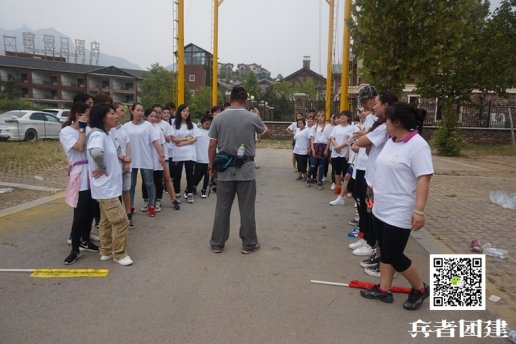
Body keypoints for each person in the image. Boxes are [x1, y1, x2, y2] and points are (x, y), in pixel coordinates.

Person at [360, 102, 433, 310]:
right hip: (381, 206)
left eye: (388, 121)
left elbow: (423, 179)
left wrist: (419, 211)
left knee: (394, 254)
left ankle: (420, 288)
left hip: (400, 210)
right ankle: (384, 289)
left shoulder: (418, 145)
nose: (385, 125)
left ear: (397, 123)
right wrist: (372, 192)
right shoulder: (392, 141)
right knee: (384, 250)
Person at [208, 86, 269, 254]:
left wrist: (211, 166)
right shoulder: (252, 117)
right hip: (246, 170)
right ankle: (249, 243)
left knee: (222, 208)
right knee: (247, 209)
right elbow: (266, 132)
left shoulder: (218, 118)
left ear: (229, 99)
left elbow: (212, 144)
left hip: (224, 170)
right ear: (246, 101)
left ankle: (217, 243)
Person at [354, 91, 398, 277]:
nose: (373, 107)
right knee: (375, 220)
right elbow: (363, 142)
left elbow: (362, 141)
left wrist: (418, 210)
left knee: (381, 226)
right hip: (374, 181)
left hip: (382, 185)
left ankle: (384, 261)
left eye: (377, 103)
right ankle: (380, 257)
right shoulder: (381, 127)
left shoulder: (414, 144)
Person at [87, 103, 133, 266]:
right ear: (102, 117)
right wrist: (102, 167)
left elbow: (117, 149)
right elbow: (96, 152)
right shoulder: (97, 135)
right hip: (105, 188)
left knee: (106, 221)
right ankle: (119, 254)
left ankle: (106, 251)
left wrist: (124, 157)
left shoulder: (108, 134)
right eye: (112, 113)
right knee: (121, 221)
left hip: (111, 186)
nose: (116, 116)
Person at [60, 102, 99, 264]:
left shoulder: (90, 130)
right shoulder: (66, 132)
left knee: (91, 211)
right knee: (80, 214)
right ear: (78, 115)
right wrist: (82, 129)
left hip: (92, 173)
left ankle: (85, 239)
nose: (89, 118)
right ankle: (75, 249)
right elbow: (79, 146)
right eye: (87, 115)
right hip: (79, 175)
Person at [348, 85, 378, 257]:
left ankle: (371, 241)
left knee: (367, 206)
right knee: (359, 202)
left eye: (366, 102)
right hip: (360, 166)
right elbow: (360, 140)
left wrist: (360, 138)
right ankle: (364, 236)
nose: (364, 106)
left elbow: (362, 141)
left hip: (369, 168)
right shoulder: (369, 119)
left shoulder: (378, 120)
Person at [123, 103, 164, 217]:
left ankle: (152, 206)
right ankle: (130, 206)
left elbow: (155, 141)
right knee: (131, 185)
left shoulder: (148, 125)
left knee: (149, 184)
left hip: (145, 158)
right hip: (131, 159)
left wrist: (161, 155)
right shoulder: (126, 126)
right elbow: (123, 143)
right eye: (138, 110)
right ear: (132, 111)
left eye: (142, 110)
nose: (140, 113)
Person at [109, 102, 134, 228]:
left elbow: (128, 145)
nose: (123, 113)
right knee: (116, 192)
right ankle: (118, 218)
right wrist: (124, 160)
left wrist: (128, 160)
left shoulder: (123, 128)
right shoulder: (109, 130)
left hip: (126, 164)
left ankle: (129, 215)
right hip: (116, 166)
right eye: (121, 110)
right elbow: (114, 149)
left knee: (126, 191)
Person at [171, 104, 198, 204]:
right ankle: (177, 194)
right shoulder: (174, 125)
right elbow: (173, 139)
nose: (186, 113)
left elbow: (195, 138)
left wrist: (182, 143)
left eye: (187, 111)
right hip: (178, 154)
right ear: (179, 112)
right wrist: (186, 138)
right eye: (183, 111)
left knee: (190, 174)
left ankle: (190, 193)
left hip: (190, 153)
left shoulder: (193, 125)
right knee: (177, 175)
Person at [329, 111, 354, 195]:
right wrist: (336, 146)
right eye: (341, 116)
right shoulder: (336, 128)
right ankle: (338, 186)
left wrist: (339, 147)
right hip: (335, 152)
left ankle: (346, 188)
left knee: (345, 170)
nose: (342, 117)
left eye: (344, 116)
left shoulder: (351, 128)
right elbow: (332, 138)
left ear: (348, 118)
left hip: (344, 152)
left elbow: (349, 141)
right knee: (337, 170)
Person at [307, 111, 331, 189]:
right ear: (317, 117)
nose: (320, 118)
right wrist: (312, 149)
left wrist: (327, 149)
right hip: (316, 146)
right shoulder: (314, 127)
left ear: (324, 117)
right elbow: (312, 139)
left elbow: (329, 139)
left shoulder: (328, 127)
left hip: (324, 147)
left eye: (322, 116)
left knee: (322, 166)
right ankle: (308, 178)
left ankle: (319, 181)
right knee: (313, 165)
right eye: (319, 116)